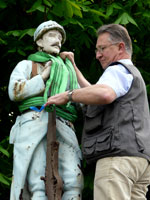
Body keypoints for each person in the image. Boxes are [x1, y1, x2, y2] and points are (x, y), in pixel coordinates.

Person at [46, 24, 150, 200]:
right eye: (96, 49)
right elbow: (94, 91)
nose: (97, 55)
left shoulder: (117, 69)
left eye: (102, 48)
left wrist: (68, 95)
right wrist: (73, 67)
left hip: (117, 160)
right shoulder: (129, 73)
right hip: (138, 161)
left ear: (120, 47)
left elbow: (104, 93)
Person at [8, 20, 83, 200]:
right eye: (52, 35)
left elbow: (84, 100)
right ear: (39, 42)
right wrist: (42, 77)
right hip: (33, 124)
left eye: (59, 37)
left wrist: (72, 68)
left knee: (74, 181)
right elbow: (14, 91)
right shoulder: (26, 65)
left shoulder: (67, 71)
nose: (57, 40)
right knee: (37, 182)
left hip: (64, 124)